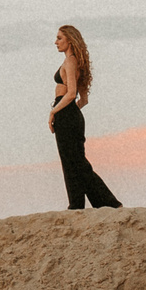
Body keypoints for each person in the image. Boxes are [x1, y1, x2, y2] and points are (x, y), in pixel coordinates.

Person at [50, 25, 123, 211]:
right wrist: (71, 112)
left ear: (70, 40)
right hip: (71, 114)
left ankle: (109, 203)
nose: (56, 42)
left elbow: (71, 93)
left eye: (59, 38)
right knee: (74, 161)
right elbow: (84, 100)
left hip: (66, 113)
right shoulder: (77, 62)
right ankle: (77, 205)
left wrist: (54, 112)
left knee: (75, 162)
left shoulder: (71, 62)